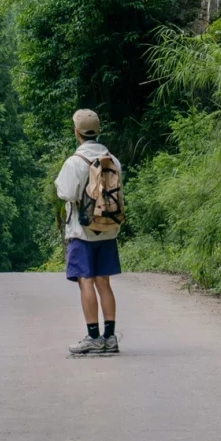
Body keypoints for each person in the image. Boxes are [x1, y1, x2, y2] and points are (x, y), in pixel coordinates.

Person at [54, 108, 123, 355]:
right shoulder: (113, 160)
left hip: (81, 231)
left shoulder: (75, 162)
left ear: (77, 132)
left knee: (86, 281)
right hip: (107, 228)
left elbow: (66, 193)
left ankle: (93, 336)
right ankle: (110, 337)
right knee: (104, 282)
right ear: (98, 130)